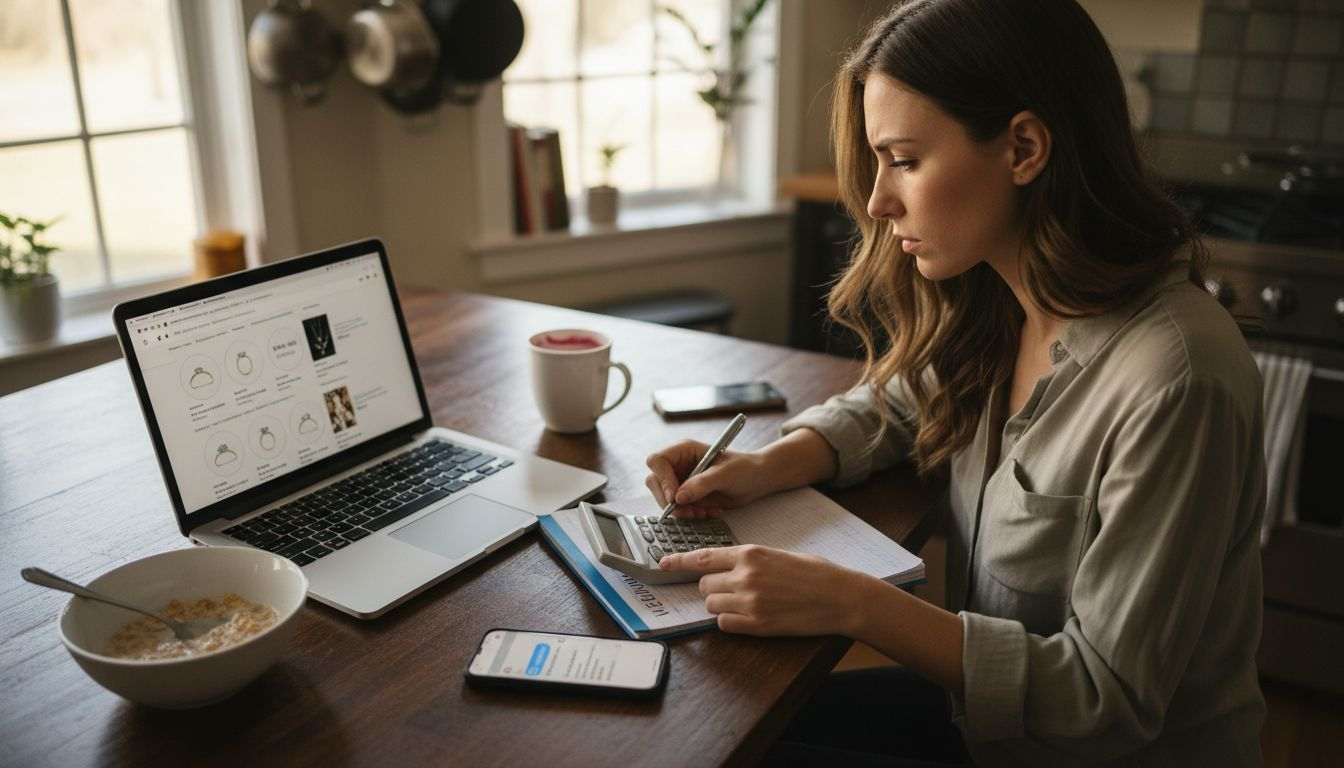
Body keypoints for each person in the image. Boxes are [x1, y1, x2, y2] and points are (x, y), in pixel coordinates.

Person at [644, 1, 1266, 765]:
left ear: (1024, 148)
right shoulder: (1015, 302)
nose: (876, 201)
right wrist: (771, 462)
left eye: (903, 159)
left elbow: (1104, 701)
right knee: (708, 726)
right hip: (987, 728)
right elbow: (904, 401)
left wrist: (850, 600)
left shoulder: (1176, 380)